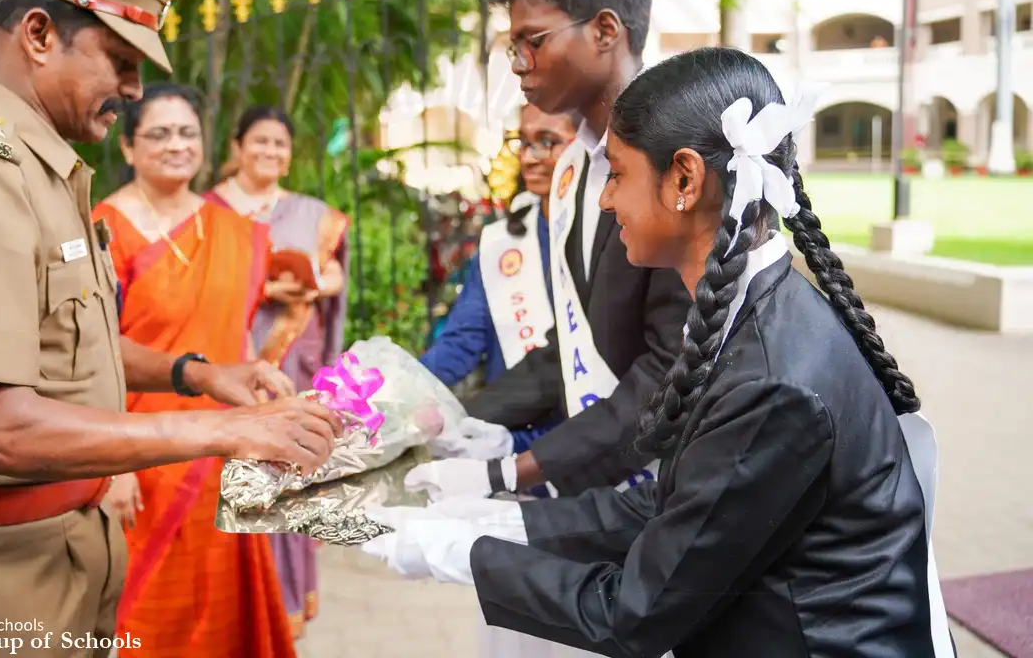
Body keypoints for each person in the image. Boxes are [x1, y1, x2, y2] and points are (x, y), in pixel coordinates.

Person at [362, 47, 954, 658]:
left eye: (616, 174)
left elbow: (636, 613)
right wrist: (497, 520)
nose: (604, 199)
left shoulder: (774, 381)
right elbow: (677, 504)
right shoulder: (750, 313)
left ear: (685, 179)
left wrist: (457, 553)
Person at [0, 0, 340, 655]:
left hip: (51, 548)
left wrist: (201, 374)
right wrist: (227, 430)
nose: (133, 88)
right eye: (119, 59)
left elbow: (71, 348)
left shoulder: (42, 172)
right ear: (41, 34)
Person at [406, 0, 691, 501]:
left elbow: (671, 368)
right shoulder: (573, 171)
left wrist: (519, 467)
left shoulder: (677, 163)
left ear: (605, 30)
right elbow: (576, 342)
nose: (518, 62)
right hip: (599, 480)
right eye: (514, 45)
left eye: (533, 40)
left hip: (675, 489)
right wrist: (471, 420)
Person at [92, 83, 297, 657]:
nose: (176, 145)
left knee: (225, 614)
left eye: (187, 133)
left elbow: (235, 341)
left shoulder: (230, 229)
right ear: (129, 147)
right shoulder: (103, 228)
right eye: (158, 134)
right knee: (153, 617)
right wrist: (114, 467)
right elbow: (91, 353)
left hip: (224, 453)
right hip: (142, 455)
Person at [206, 105, 349, 639]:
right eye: (259, 142)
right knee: (229, 477)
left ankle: (282, 612)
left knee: (286, 479)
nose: (270, 152)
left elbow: (333, 275)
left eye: (279, 145)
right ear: (238, 147)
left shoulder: (312, 213)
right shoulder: (208, 210)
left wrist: (316, 283)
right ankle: (228, 611)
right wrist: (263, 289)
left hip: (294, 361)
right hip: (225, 361)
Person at [419, 104, 578, 455]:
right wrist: (401, 392)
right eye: (523, 142)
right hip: (509, 436)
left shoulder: (613, 231)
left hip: (585, 436)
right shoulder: (504, 241)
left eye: (548, 142)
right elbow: (462, 341)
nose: (530, 158)